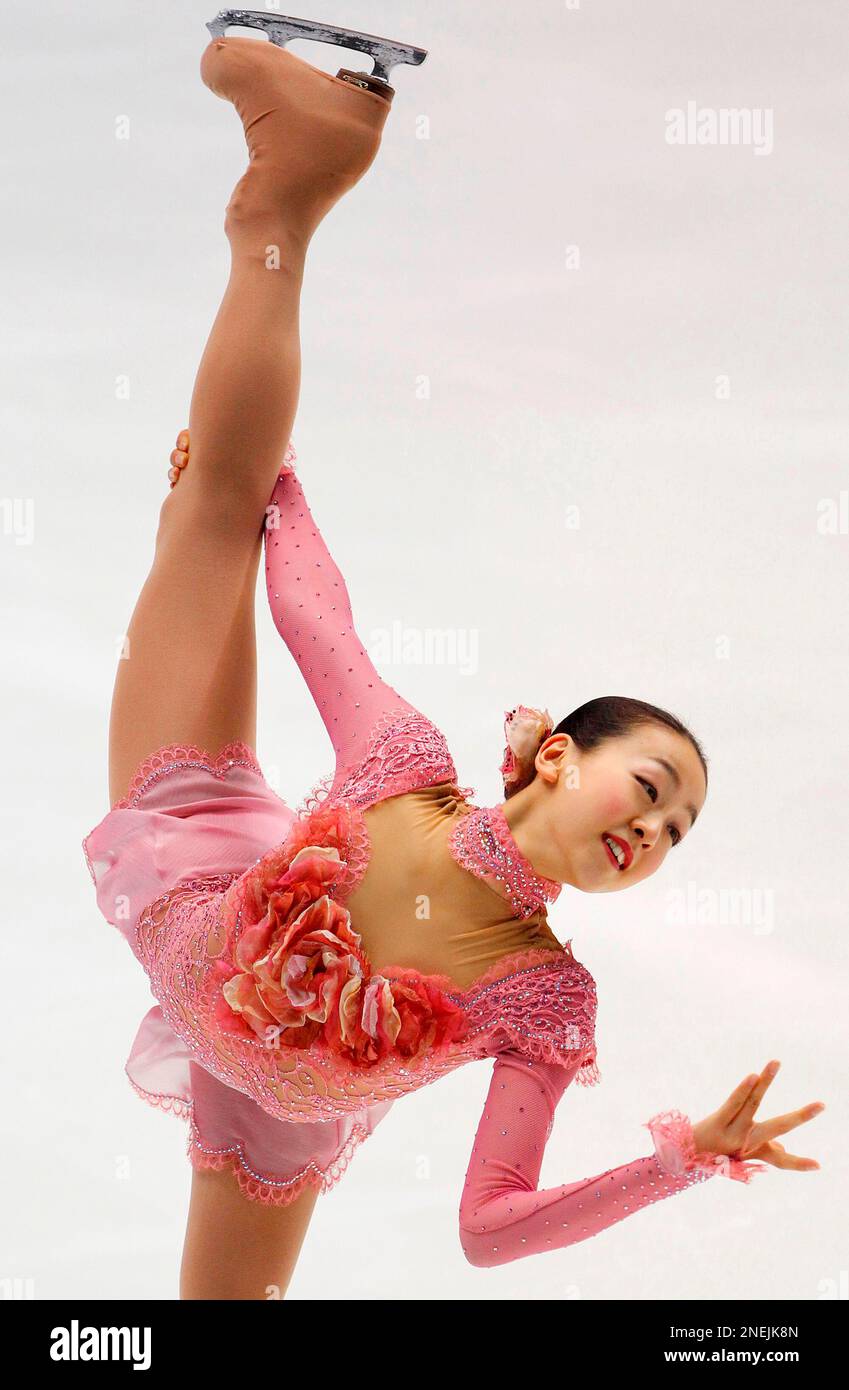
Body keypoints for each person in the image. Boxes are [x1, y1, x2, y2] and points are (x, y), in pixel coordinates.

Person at [83, 22, 824, 1300]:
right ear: (552, 755)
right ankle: (289, 189)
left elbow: (490, 1229)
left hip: (286, 1112)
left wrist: (682, 1161)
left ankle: (292, 171)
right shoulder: (405, 768)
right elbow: (320, 619)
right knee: (216, 505)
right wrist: (261, 480)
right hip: (198, 882)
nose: (653, 833)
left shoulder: (547, 1002)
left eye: (676, 833)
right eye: (648, 791)